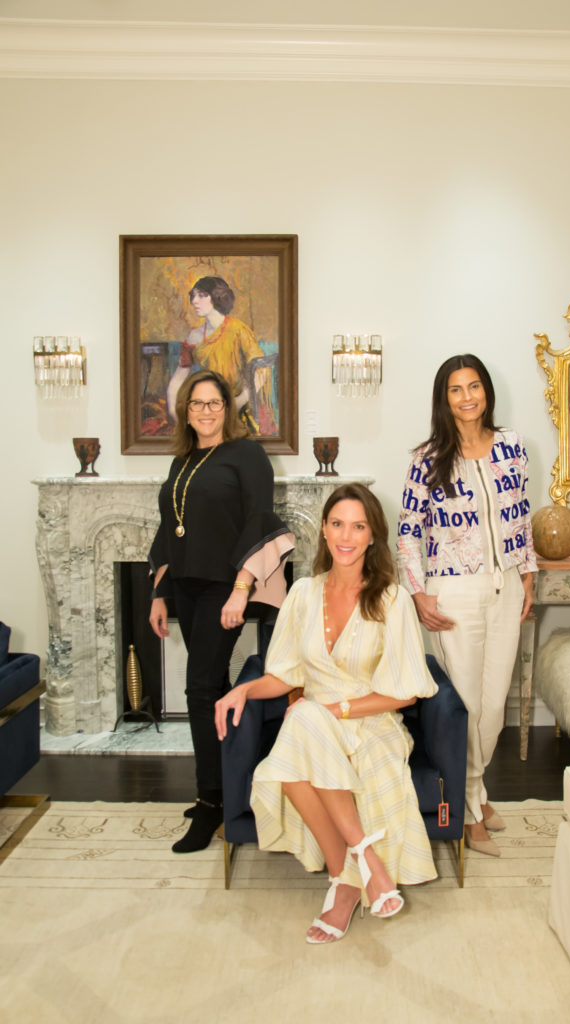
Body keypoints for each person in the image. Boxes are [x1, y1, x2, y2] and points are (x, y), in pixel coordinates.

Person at [215, 483, 438, 944]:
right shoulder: (302, 594)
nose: (347, 535)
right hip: (316, 722)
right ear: (323, 529)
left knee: (301, 726)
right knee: (303, 721)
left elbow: (407, 693)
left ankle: (347, 878)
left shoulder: (392, 599)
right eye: (337, 523)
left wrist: (341, 708)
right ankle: (360, 866)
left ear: (373, 535)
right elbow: (283, 674)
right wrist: (242, 691)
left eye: (358, 526)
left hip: (371, 721)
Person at [397, 354, 537, 858]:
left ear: (486, 392)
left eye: (473, 386)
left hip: (506, 588)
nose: (467, 397)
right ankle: (470, 809)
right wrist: (418, 593)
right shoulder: (427, 458)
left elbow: (522, 515)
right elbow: (408, 533)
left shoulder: (513, 447)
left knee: (496, 705)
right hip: (454, 592)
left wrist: (529, 573)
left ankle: (473, 790)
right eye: (456, 389)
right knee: (468, 706)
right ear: (445, 399)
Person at [149, 369, 293, 853]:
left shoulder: (246, 454)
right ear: (184, 411)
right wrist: (158, 594)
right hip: (186, 587)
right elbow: (169, 529)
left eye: (214, 403)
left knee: (199, 686)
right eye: (196, 404)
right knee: (207, 687)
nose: (205, 411)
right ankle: (222, 786)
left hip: (225, 587)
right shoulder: (182, 461)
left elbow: (259, 519)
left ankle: (213, 801)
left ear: (227, 409)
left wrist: (240, 589)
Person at [166, 276, 277, 436]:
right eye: (193, 295)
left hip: (240, 407)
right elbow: (179, 376)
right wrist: (173, 409)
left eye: (202, 295)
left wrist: (237, 402)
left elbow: (260, 371)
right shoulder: (194, 337)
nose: (194, 301)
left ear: (218, 297)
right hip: (209, 409)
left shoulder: (238, 330)